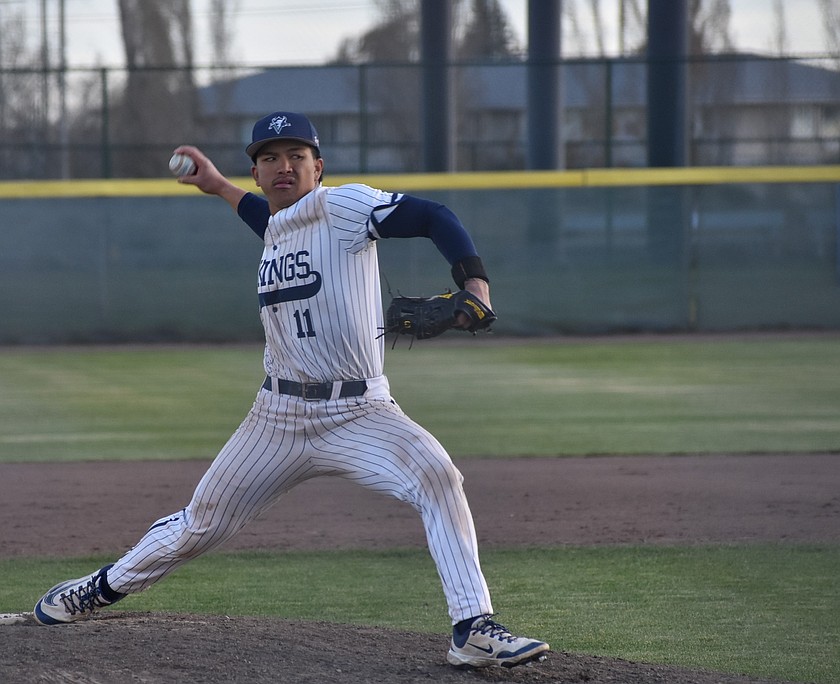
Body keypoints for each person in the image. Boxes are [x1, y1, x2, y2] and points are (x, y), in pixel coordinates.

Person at [33, 111, 549, 669]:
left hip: (360, 411)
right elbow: (265, 218)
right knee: (200, 525)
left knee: (438, 476)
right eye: (270, 158)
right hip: (275, 418)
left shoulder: (343, 207)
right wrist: (217, 187)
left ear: (318, 167)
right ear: (257, 172)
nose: (284, 167)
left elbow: (433, 216)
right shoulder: (278, 224)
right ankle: (99, 588)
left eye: (296, 157)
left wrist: (474, 283)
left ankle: (472, 626)